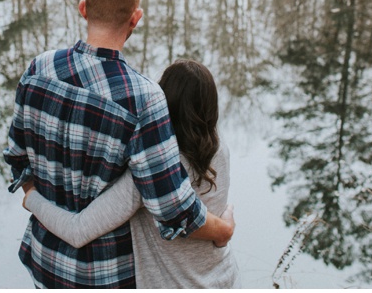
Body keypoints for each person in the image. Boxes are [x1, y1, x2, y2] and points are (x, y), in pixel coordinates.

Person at [3, 0, 234, 288]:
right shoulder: (144, 99)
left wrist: (32, 196)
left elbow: (16, 157)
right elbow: (172, 209)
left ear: (83, 9)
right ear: (135, 19)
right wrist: (224, 230)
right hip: (107, 275)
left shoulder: (39, 69)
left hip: (45, 261)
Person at [23, 59, 240, 288]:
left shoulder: (153, 170)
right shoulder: (219, 148)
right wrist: (223, 229)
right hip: (224, 278)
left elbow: (78, 230)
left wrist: (31, 198)